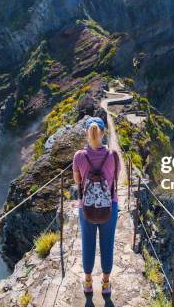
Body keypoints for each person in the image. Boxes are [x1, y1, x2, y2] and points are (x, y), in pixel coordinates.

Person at [72, 116, 119, 296]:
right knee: (107, 244)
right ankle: (106, 284)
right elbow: (114, 178)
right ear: (103, 133)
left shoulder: (79, 156)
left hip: (86, 208)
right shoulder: (113, 156)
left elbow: (78, 181)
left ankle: (88, 282)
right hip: (110, 207)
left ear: (87, 133)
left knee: (87, 244)